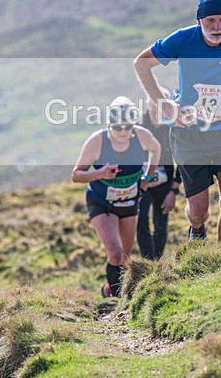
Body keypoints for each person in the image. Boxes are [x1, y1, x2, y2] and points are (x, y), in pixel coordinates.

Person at [133, 0, 221, 242]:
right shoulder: (183, 39)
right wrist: (164, 104)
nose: (218, 27)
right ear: (199, 21)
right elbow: (141, 63)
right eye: (211, 20)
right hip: (189, 133)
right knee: (199, 212)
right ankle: (197, 230)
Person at [72, 97, 161, 298]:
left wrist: (147, 179)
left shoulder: (141, 136)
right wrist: (99, 173)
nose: (123, 131)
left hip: (129, 202)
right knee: (115, 251)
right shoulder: (97, 141)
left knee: (124, 258)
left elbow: (156, 150)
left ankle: (108, 289)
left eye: (127, 127)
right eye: (118, 127)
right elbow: (76, 175)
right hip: (101, 202)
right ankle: (116, 298)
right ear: (109, 125)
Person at [136, 87, 182, 260]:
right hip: (141, 182)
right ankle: (148, 262)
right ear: (147, 106)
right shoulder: (137, 127)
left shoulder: (174, 128)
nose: (156, 113)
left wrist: (174, 191)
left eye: (160, 109)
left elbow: (183, 160)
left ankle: (157, 261)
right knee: (141, 222)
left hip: (165, 183)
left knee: (161, 225)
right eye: (152, 108)